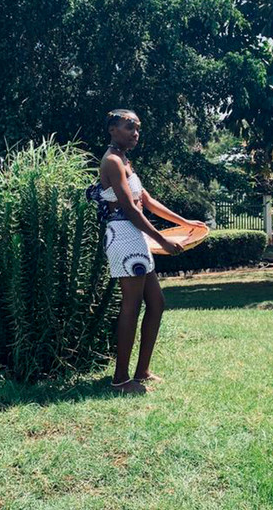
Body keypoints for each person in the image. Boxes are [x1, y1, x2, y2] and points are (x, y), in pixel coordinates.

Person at [88, 109, 205, 394]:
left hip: (135, 237)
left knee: (156, 303)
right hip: (124, 239)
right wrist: (163, 241)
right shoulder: (112, 161)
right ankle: (120, 380)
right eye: (129, 127)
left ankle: (141, 371)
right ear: (112, 129)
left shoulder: (126, 160)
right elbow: (128, 209)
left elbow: (146, 201)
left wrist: (185, 222)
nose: (135, 133)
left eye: (138, 128)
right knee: (132, 305)